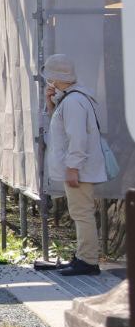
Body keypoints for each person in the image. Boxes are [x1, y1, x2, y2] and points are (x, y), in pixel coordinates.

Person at [37, 54, 110, 276]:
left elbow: (77, 138)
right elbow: (66, 130)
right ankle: (82, 257)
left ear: (54, 77)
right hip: (80, 167)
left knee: (82, 213)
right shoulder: (72, 99)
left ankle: (87, 260)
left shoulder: (73, 102)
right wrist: (52, 105)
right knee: (81, 212)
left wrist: (73, 167)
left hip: (80, 169)